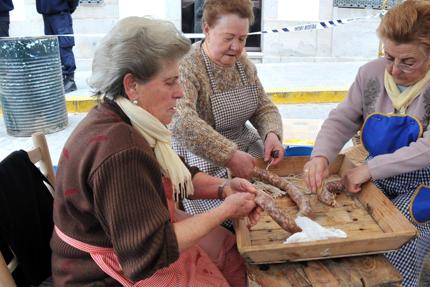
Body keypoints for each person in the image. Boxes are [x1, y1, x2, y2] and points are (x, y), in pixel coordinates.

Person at [50, 16, 261, 286]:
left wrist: (224, 189)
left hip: (132, 244)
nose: (181, 93)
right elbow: (151, 251)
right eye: (170, 82)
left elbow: (177, 176)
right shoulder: (121, 150)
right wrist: (225, 211)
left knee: (229, 248)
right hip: (98, 274)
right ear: (132, 85)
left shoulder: (126, 117)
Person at [303, 1, 430, 286]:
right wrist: (320, 156)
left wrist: (369, 170)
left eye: (408, 62)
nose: (393, 70)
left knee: (399, 237)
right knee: (346, 222)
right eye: (389, 56)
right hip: (380, 167)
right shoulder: (370, 73)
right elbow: (343, 118)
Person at [171, 0, 284, 227]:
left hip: (246, 149)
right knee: (241, 220)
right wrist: (229, 156)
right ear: (206, 29)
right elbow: (182, 121)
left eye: (242, 39)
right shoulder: (187, 65)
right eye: (228, 37)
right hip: (203, 159)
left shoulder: (244, 64)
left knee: (276, 205)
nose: (236, 47)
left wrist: (271, 133)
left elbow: (263, 106)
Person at [36, 0, 78, 93]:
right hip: (46, 14)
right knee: (51, 46)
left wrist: (69, 7)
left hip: (60, 13)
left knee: (64, 46)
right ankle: (57, 78)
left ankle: (69, 79)